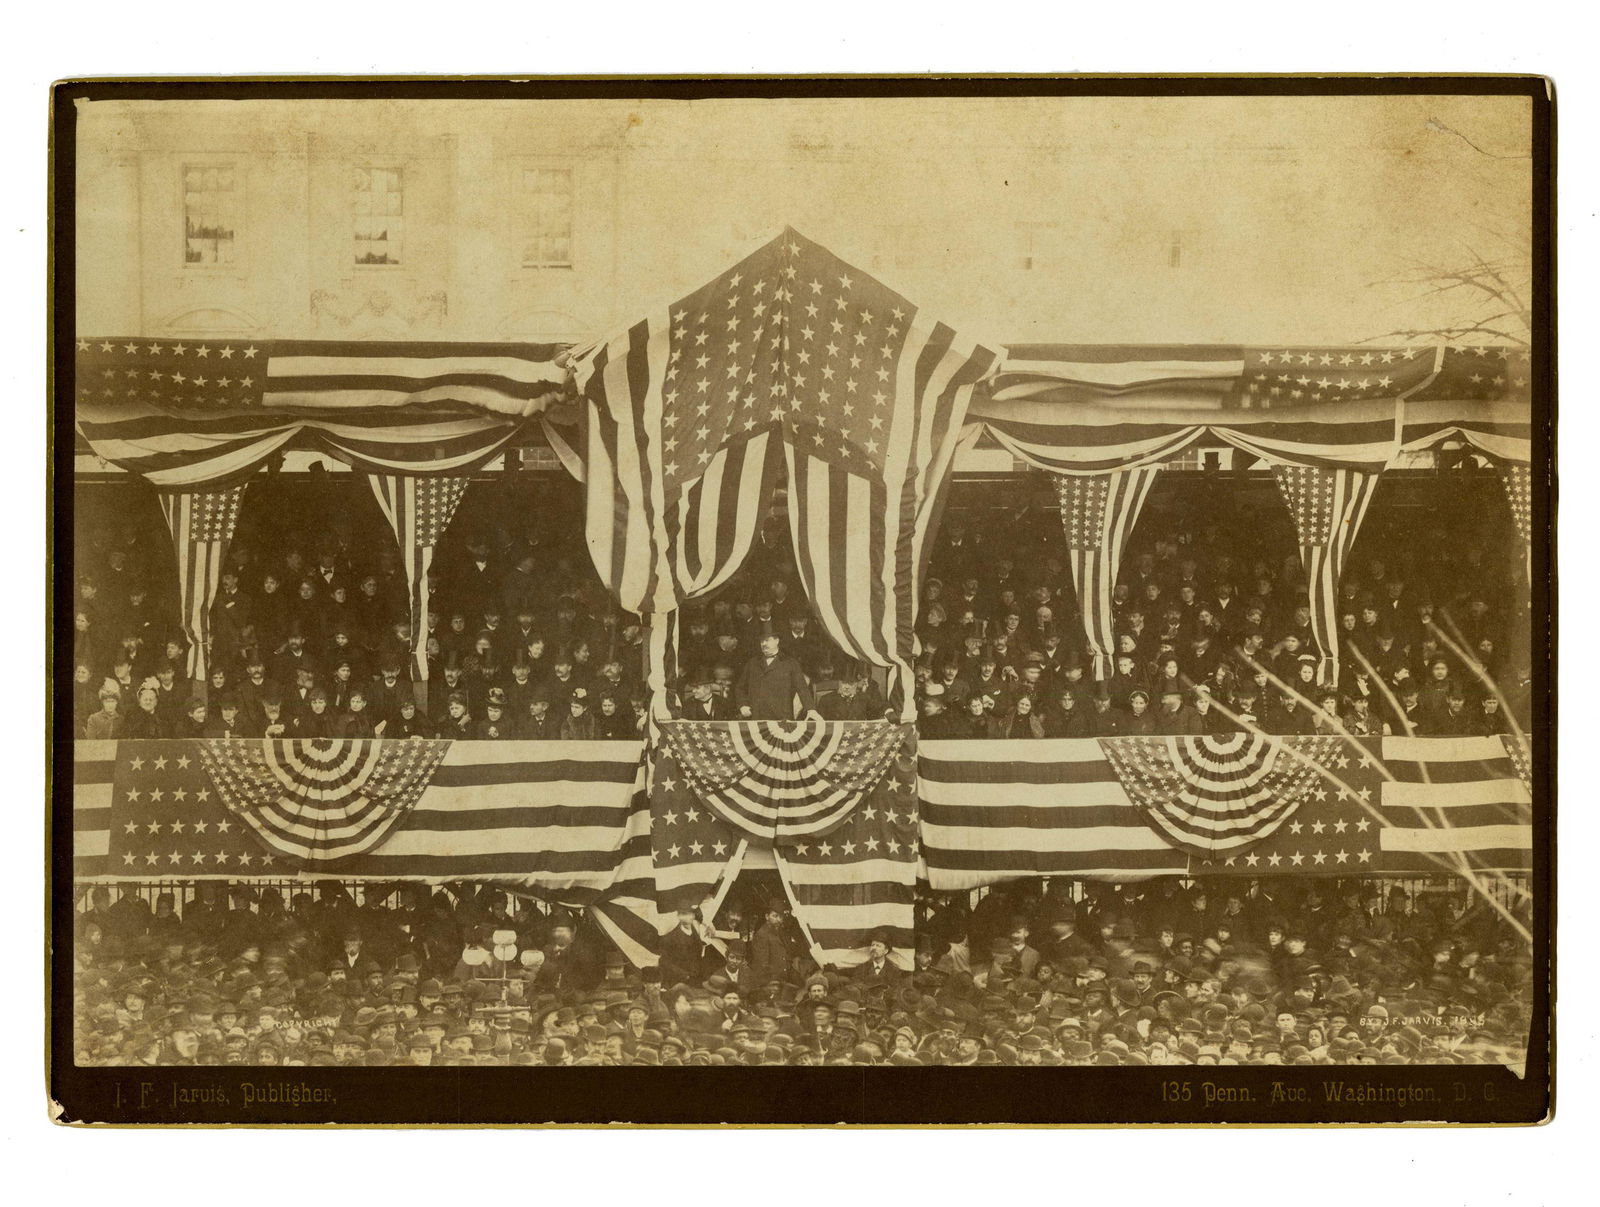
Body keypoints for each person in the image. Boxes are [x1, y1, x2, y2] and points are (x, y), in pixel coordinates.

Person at [733, 632, 814, 720]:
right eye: (762, 641)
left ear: (777, 641)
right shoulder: (752, 663)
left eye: (767, 640)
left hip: (782, 718)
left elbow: (802, 688)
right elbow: (740, 687)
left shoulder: (790, 663)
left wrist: (811, 709)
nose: (764, 644)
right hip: (756, 717)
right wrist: (742, 705)